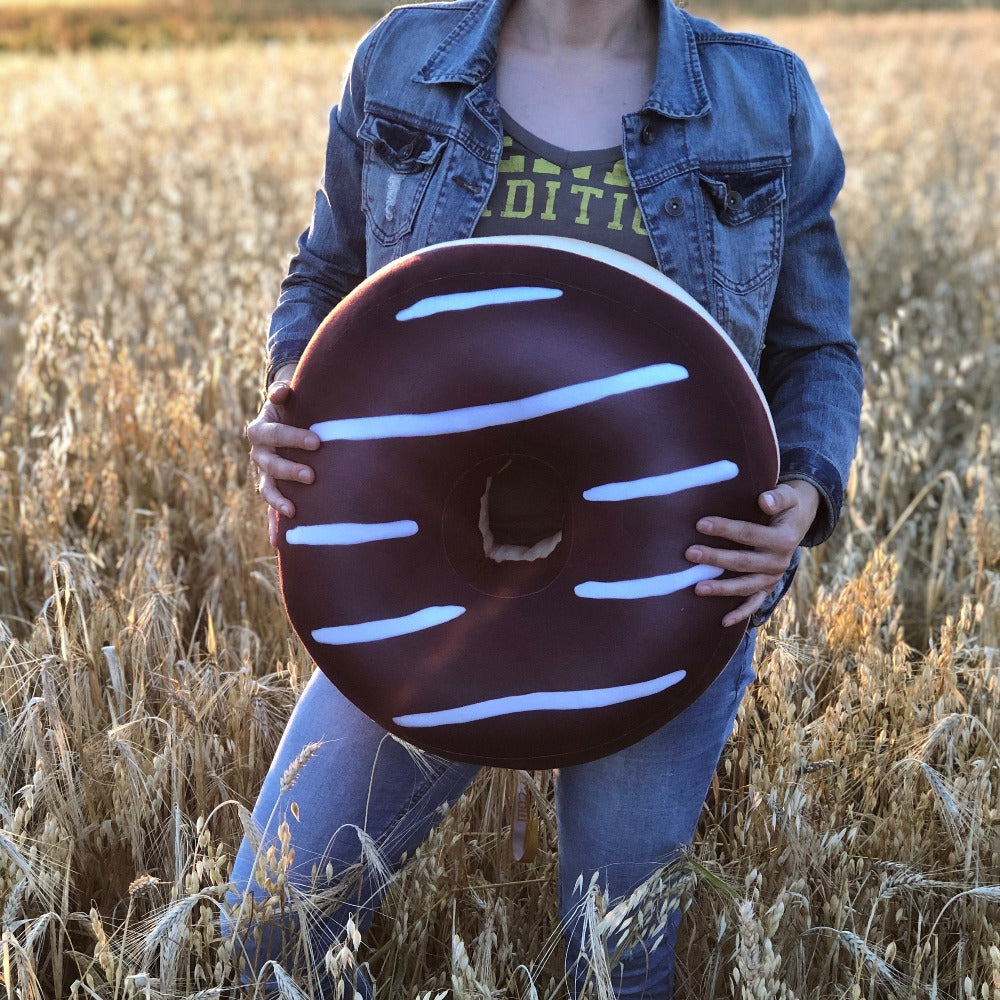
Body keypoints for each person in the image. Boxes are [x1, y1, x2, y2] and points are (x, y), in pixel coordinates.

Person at [236, 0, 864, 996]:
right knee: (273, 921)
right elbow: (324, 277)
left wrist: (804, 492)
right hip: (415, 593)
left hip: (665, 592)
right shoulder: (405, 60)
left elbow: (813, 345)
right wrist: (291, 392)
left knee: (614, 965)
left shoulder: (760, 95)